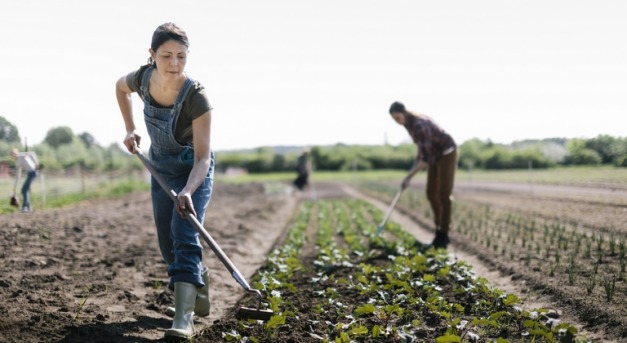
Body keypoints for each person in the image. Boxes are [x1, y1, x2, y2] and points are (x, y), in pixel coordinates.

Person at [115, 22, 214, 339]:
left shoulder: (197, 98)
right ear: (152, 55)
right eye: (167, 56)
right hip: (160, 169)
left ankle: (183, 319)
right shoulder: (142, 79)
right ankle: (196, 279)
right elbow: (119, 87)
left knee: (183, 231)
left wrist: (187, 190)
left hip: (192, 174)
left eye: (181, 57)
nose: (174, 64)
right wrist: (130, 128)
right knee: (167, 243)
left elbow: (203, 159)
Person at [389, 101, 457, 249]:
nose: (397, 121)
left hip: (446, 152)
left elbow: (425, 160)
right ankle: (438, 227)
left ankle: (443, 235)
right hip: (434, 155)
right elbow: (422, 152)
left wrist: (409, 177)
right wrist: (408, 175)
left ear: (404, 113)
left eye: (397, 117)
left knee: (443, 194)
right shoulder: (409, 125)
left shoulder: (419, 124)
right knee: (431, 193)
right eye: (394, 119)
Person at [10, 148, 39, 213]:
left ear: (17, 153)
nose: (13, 155)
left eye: (14, 154)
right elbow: (18, 174)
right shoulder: (17, 162)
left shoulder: (22, 155)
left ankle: (25, 207)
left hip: (33, 172)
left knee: (24, 190)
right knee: (25, 190)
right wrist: (15, 186)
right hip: (30, 174)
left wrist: (36, 163)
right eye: (12, 155)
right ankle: (28, 207)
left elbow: (32, 153)